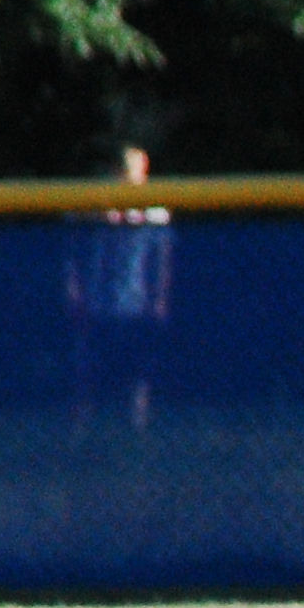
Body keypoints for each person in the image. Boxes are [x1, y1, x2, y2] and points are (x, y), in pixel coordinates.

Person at [64, 146, 174, 430]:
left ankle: (137, 432)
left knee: (138, 373)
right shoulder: (94, 207)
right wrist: (75, 289)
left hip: (137, 304)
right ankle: (80, 435)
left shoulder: (153, 211)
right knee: (87, 372)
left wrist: (158, 299)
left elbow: (161, 259)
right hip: (98, 302)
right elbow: (73, 249)